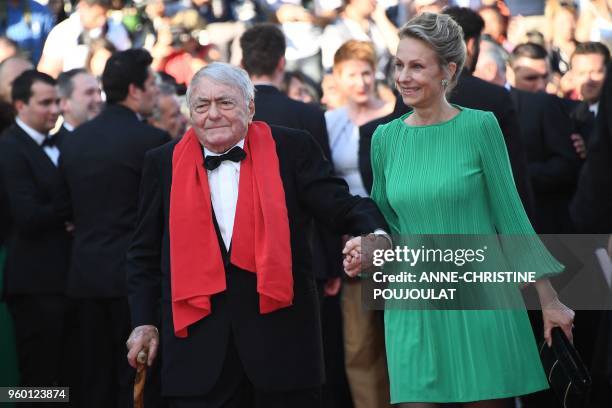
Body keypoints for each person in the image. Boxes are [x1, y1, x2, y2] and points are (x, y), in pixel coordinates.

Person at [124, 61, 389, 408]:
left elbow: (339, 204)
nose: (213, 114)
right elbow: (143, 254)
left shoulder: (291, 148)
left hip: (283, 350)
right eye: (202, 105)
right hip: (197, 356)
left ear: (250, 107)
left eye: (226, 103)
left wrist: (377, 235)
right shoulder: (162, 163)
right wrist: (143, 322)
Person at [345, 13, 574, 406]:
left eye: (417, 66)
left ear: (448, 71)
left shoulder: (480, 127)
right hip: (413, 301)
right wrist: (371, 247)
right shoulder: (384, 138)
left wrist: (549, 300)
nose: (404, 77)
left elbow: (511, 217)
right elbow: (387, 223)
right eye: (399, 65)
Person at [55, 49, 169, 408]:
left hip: (85, 277)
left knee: (93, 377)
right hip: (134, 282)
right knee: (135, 377)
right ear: (135, 90)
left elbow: (65, 208)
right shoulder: (153, 142)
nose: (156, 91)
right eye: (152, 84)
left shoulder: (73, 141)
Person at [326, 39, 394, 408]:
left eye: (367, 72)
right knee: (361, 341)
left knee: (403, 334)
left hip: (394, 233)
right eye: (352, 73)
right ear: (337, 77)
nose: (362, 81)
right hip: (351, 241)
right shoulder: (329, 123)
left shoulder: (393, 115)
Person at [0, 70, 73, 394]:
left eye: (57, 101)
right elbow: (26, 215)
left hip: (59, 282)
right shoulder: (10, 148)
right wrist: (71, 211)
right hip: (33, 286)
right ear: (20, 105)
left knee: (61, 374)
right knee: (37, 380)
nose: (55, 109)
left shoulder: (59, 142)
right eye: (45, 103)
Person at [37, 0, 130, 78]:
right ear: (83, 7)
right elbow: (48, 74)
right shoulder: (62, 33)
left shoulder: (117, 30)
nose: (102, 21)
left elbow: (126, 65)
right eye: (97, 16)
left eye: (105, 14)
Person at [56, 68, 102, 136]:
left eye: (99, 92)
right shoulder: (55, 146)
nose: (99, 99)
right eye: (89, 92)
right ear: (64, 104)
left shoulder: (110, 139)